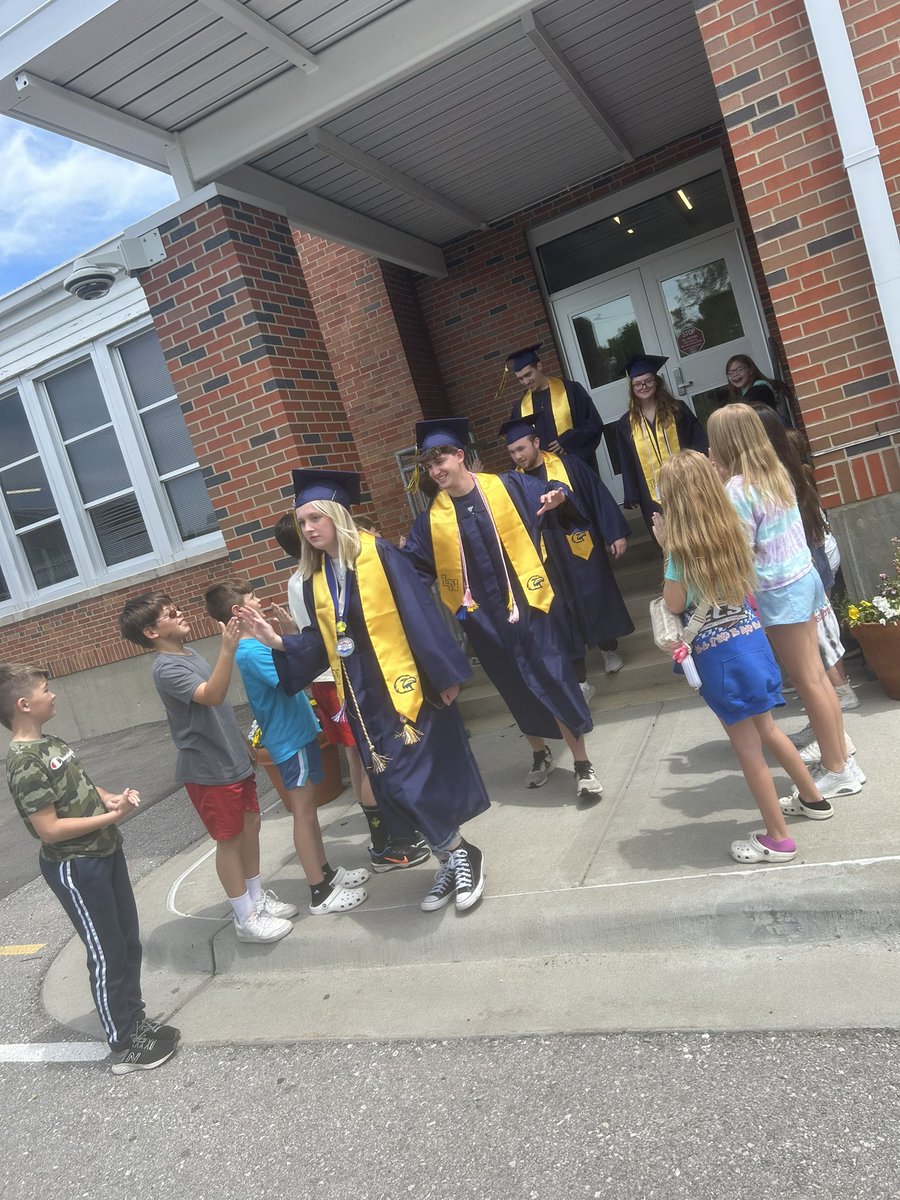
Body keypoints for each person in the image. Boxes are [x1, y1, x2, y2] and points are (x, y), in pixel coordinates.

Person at [239, 469, 490, 915]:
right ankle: (452, 856)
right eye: (302, 523)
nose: (309, 529)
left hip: (407, 692)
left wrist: (444, 676)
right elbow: (322, 643)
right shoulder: (317, 577)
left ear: (338, 516)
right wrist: (276, 640)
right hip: (362, 700)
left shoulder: (380, 556)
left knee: (418, 782)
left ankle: (462, 855)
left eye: (316, 518)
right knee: (392, 789)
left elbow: (420, 614)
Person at [401, 417, 603, 800]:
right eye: (429, 465)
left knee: (554, 676)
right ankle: (539, 753)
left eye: (441, 460)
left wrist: (558, 495)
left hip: (531, 607)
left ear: (460, 456)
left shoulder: (507, 487)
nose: (436, 470)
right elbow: (413, 567)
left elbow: (552, 489)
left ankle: (581, 762)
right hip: (482, 620)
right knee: (513, 687)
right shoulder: (432, 521)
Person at [652, 453, 836, 865]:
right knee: (769, 729)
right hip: (752, 641)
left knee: (748, 748)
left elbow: (674, 600)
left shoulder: (681, 551)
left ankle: (778, 838)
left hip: (719, 658)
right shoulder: (733, 531)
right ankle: (813, 798)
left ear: (675, 502)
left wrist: (666, 549)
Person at [2, 663, 180, 1073]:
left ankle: (135, 1021)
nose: (54, 695)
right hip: (77, 866)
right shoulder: (24, 762)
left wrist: (112, 799)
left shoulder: (52, 743)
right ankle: (122, 1045)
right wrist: (108, 820)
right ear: (24, 704)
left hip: (103, 852)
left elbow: (82, 787)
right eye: (47, 690)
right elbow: (49, 829)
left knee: (127, 941)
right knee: (106, 952)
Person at [707, 405, 865, 801]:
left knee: (809, 681)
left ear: (726, 443)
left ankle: (836, 768)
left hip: (779, 593)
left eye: (713, 440)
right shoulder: (774, 473)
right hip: (803, 580)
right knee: (818, 677)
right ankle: (840, 760)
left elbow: (739, 552)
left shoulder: (737, 491)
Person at [119, 593, 294, 944]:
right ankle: (245, 917)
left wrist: (243, 746)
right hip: (207, 768)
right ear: (152, 632)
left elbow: (219, 712)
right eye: (171, 613)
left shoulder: (188, 653)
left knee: (251, 826)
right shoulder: (166, 668)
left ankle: (257, 899)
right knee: (228, 840)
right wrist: (227, 650)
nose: (181, 613)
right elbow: (212, 695)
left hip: (231, 759)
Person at [272, 514, 429, 874]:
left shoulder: (297, 579)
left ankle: (388, 834)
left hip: (327, 677)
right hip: (336, 676)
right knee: (364, 756)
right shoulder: (312, 577)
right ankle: (385, 842)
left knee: (360, 757)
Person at [204, 578, 369, 916]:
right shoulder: (251, 652)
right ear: (239, 610)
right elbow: (293, 676)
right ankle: (319, 890)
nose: (260, 599)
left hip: (298, 733)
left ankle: (325, 870)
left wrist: (289, 636)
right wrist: (293, 640)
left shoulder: (257, 646)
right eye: (253, 597)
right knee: (304, 813)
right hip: (288, 740)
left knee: (310, 813)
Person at [501, 413, 634, 684]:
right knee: (562, 609)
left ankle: (609, 650)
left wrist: (614, 533)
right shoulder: (512, 484)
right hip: (547, 555)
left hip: (579, 546)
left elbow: (597, 496)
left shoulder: (569, 465)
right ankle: (579, 673)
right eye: (512, 452)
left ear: (536, 442)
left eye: (521, 449)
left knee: (594, 594)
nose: (517, 457)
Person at [751, 404, 860, 727]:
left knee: (815, 644)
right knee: (820, 635)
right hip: (811, 559)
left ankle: (839, 694)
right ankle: (835, 697)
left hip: (803, 564)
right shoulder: (788, 463)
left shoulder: (774, 474)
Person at [614, 354, 708, 534]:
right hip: (650, 492)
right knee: (664, 535)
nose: (644, 386)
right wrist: (631, 491)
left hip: (687, 482)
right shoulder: (626, 423)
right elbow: (626, 461)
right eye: (638, 383)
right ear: (632, 388)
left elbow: (696, 441)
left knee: (696, 529)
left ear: (656, 382)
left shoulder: (677, 409)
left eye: (648, 381)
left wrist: (699, 470)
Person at [504, 343, 604, 473]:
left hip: (575, 469)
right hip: (544, 477)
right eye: (520, 379)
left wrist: (568, 440)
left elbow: (593, 425)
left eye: (528, 375)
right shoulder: (520, 408)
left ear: (539, 366)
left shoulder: (571, 391)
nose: (526, 382)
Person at [725, 354, 792, 424]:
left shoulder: (761, 388)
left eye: (740, 370)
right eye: (730, 373)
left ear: (751, 370)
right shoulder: (742, 392)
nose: (735, 375)